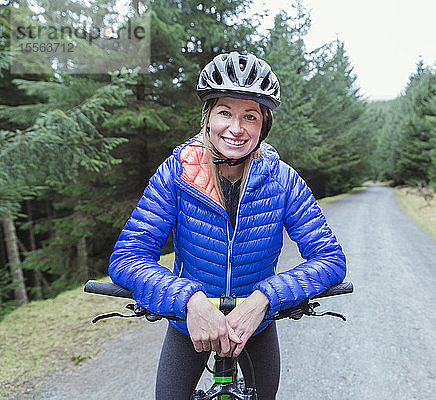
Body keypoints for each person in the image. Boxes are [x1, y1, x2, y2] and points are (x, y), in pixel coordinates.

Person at [108, 51, 347, 400]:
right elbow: (128, 258)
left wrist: (265, 298)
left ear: (262, 126)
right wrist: (189, 301)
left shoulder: (282, 181)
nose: (236, 129)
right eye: (225, 113)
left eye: (249, 116)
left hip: (256, 325)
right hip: (189, 322)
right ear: (207, 119)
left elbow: (330, 259)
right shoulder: (178, 174)